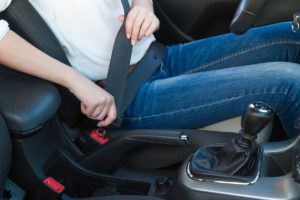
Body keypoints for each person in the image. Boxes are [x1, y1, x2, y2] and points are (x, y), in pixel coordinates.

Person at [1, 0, 300, 136]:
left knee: (292, 36)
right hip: (123, 95)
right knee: (288, 83)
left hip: (158, 56)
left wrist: (145, 8)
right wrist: (74, 80)